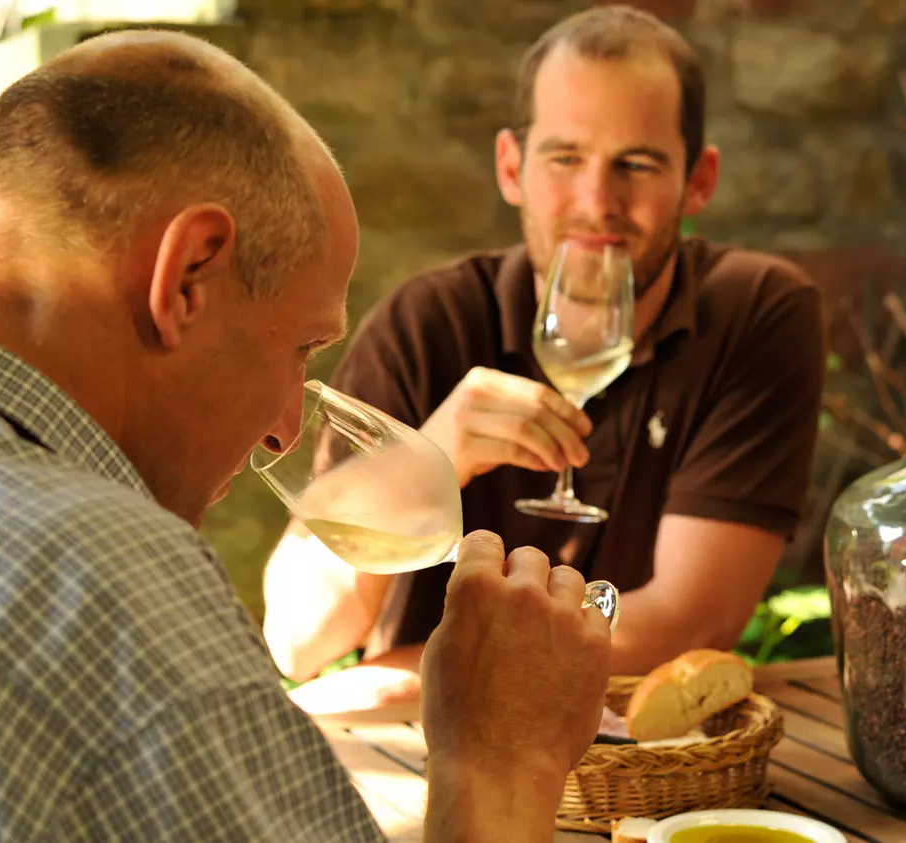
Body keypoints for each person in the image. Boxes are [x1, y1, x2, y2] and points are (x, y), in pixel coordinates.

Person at [0, 30, 613, 842]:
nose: (283, 431)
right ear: (189, 274)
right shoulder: (100, 576)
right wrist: (503, 761)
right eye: (299, 348)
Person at [262, 5, 826, 715]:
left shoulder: (756, 312)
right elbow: (296, 633)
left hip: (635, 760)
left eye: (637, 164)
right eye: (565, 158)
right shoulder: (424, 322)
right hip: (425, 754)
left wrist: (404, 677)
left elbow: (689, 621)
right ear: (510, 167)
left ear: (698, 180)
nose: (597, 202)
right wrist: (429, 459)